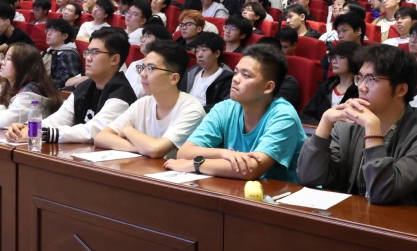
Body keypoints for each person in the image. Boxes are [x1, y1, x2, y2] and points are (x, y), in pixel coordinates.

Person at [297, 44, 417, 210]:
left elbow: (381, 192)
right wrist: (325, 123)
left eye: (371, 79)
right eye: (360, 78)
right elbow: (309, 177)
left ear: (401, 89)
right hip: (357, 218)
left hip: (413, 223)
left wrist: (372, 130)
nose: (361, 87)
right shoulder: (348, 126)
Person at [164, 44, 306, 182]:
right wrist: (223, 153)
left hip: (284, 194)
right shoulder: (225, 108)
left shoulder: (283, 116)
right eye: (236, 72)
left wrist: (195, 165)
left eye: (246, 75)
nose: (236, 79)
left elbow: (250, 169)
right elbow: (184, 152)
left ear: (268, 87)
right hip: (238, 189)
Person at [5, 28, 137, 144]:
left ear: (114, 59)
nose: (88, 58)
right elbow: (60, 118)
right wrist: (27, 127)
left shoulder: (122, 95)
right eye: (87, 52)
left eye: (95, 53)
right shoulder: (84, 86)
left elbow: (93, 131)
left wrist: (42, 133)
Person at [94, 40, 206, 158]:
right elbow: (101, 137)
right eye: (143, 67)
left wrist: (128, 130)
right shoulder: (142, 103)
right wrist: (142, 148)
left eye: (151, 68)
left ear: (174, 78)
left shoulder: (191, 110)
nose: (142, 74)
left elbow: (156, 149)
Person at [0, 43, 62, 128]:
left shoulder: (31, 93)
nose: (2, 62)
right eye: (4, 57)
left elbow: (3, 122)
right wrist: (2, 110)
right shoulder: (5, 86)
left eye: (9, 59)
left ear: (23, 65)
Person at [300, 41, 359, 124]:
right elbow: (306, 115)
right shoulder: (326, 87)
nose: (334, 61)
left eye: (340, 57)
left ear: (353, 59)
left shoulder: (360, 91)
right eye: (333, 57)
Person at [184, 32, 233, 112]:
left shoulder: (227, 79)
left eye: (204, 50)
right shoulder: (191, 72)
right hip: (184, 110)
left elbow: (223, 107)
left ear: (217, 53)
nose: (199, 55)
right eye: (197, 51)